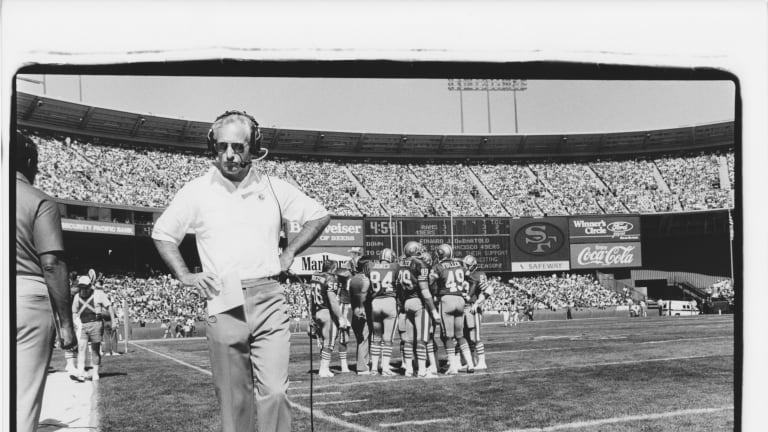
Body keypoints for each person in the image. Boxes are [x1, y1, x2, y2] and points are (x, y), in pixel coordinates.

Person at [152, 110, 330, 432]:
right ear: (213, 147)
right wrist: (185, 275)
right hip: (224, 297)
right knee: (235, 401)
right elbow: (163, 234)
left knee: (275, 392)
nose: (230, 155)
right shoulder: (197, 190)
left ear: (254, 146)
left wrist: (289, 252)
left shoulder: (275, 187)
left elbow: (318, 215)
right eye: (222, 147)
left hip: (269, 294)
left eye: (238, 146)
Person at [15, 131, 77, 432]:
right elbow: (51, 264)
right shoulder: (39, 200)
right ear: (28, 161)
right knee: (22, 402)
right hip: (28, 295)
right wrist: (66, 324)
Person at [397, 241, 440, 378]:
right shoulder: (420, 264)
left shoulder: (401, 264)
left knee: (409, 340)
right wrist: (433, 310)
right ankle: (422, 370)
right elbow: (425, 291)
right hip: (419, 303)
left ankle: (409, 369)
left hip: (406, 303)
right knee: (422, 339)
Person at [429, 244, 475, 374]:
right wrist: (469, 296)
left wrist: (435, 294)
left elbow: (431, 283)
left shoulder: (438, 267)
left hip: (446, 299)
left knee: (448, 336)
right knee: (460, 335)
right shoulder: (460, 264)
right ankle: (470, 364)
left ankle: (453, 367)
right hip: (460, 300)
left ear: (440, 254)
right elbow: (473, 281)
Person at [72, 275, 116, 381]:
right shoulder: (77, 296)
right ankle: (80, 372)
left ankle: (95, 373)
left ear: (90, 286)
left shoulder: (99, 294)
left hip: (96, 324)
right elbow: (74, 311)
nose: (83, 289)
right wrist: (75, 322)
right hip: (83, 325)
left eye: (85, 287)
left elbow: (109, 307)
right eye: (81, 287)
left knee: (95, 350)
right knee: (81, 348)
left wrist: (114, 321)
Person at [366, 248, 401, 375]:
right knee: (387, 339)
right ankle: (385, 368)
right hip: (389, 301)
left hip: (375, 303)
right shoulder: (395, 266)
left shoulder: (371, 266)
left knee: (376, 338)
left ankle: (374, 368)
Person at [309, 261, 345, 377]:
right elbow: (332, 300)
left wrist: (312, 317)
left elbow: (311, 298)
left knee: (324, 342)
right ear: (332, 269)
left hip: (317, 312)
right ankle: (323, 369)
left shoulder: (315, 276)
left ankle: (323, 368)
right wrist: (340, 317)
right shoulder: (330, 278)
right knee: (329, 342)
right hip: (326, 312)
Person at [462, 255, 492, 370]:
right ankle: (471, 360)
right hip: (463, 307)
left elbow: (488, 290)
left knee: (475, 337)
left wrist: (477, 303)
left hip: (472, 307)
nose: (465, 267)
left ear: (473, 265)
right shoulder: (463, 274)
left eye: (467, 265)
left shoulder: (479, 274)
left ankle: (482, 361)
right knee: (466, 336)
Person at [348, 255, 374, 375]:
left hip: (354, 312)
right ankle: (363, 367)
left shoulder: (353, 279)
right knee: (364, 339)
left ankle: (364, 363)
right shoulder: (365, 279)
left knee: (361, 339)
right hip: (364, 312)